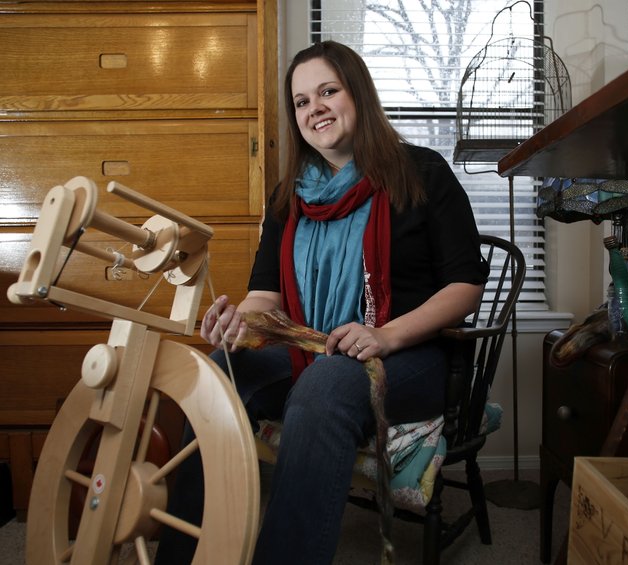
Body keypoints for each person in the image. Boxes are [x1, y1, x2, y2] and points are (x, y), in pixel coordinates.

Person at [155, 40, 488, 565]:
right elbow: (266, 296)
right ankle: (187, 554)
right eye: (302, 101)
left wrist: (385, 335)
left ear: (358, 94)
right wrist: (236, 322)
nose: (316, 109)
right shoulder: (289, 195)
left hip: (409, 355)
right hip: (311, 346)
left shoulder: (422, 173)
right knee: (218, 373)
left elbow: (465, 285)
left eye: (328, 91)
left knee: (327, 383)